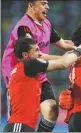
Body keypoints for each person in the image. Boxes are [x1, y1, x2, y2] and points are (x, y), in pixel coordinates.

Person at [1, 0, 75, 131]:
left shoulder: (46, 24)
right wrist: (63, 58)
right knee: (21, 119)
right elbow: (33, 56)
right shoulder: (24, 27)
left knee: (52, 109)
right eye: (43, 3)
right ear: (31, 6)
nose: (48, 6)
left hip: (38, 76)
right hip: (20, 78)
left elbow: (63, 43)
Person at [3, 37, 81, 132]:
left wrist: (64, 57)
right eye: (36, 50)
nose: (40, 54)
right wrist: (80, 49)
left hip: (20, 126)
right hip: (19, 127)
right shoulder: (29, 65)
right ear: (25, 55)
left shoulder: (20, 70)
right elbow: (64, 64)